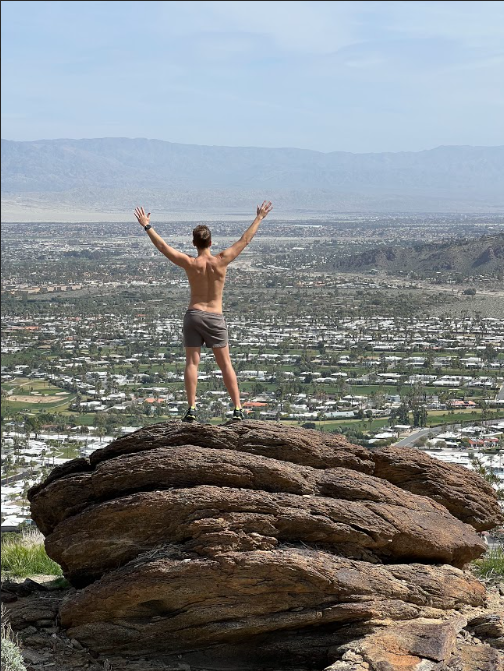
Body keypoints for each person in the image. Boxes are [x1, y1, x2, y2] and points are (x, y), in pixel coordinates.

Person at [133, 201, 273, 422]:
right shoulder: (221, 261)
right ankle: (237, 409)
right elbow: (245, 240)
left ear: (194, 243)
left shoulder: (190, 263)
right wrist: (259, 218)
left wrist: (147, 226)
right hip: (215, 317)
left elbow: (163, 248)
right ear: (211, 242)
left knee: (191, 363)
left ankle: (191, 408)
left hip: (194, 315)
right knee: (225, 364)